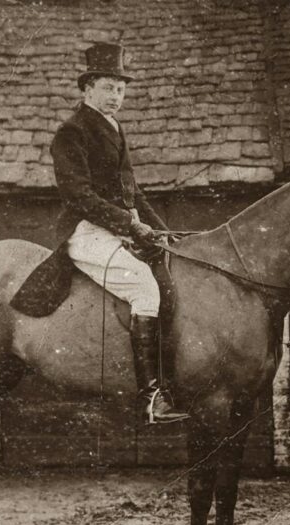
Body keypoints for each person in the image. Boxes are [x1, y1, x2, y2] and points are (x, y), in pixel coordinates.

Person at [50, 42, 188, 425]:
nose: (115, 96)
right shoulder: (72, 132)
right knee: (144, 287)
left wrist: (162, 231)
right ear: (87, 89)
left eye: (120, 89)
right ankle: (152, 397)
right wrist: (130, 225)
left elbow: (132, 191)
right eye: (108, 87)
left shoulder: (114, 127)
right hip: (86, 232)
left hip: (119, 230)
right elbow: (78, 196)